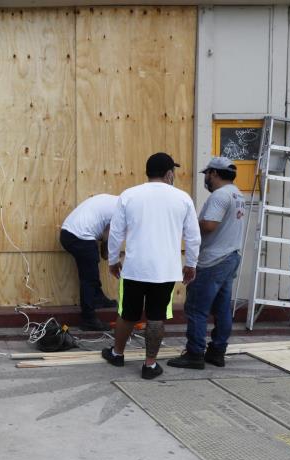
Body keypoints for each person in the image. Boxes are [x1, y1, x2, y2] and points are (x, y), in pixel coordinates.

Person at [103, 153, 201, 380]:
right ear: (168, 174)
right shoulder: (183, 198)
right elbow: (193, 237)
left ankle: (117, 353)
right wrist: (191, 264)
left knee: (127, 313)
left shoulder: (129, 195)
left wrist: (113, 260)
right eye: (173, 172)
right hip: (165, 270)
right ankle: (150, 364)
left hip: (136, 268)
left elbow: (116, 232)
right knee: (156, 316)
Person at [168, 157, 245, 369]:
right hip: (231, 256)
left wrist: (189, 222)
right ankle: (217, 351)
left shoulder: (219, 196)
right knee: (221, 308)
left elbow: (209, 225)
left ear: (215, 173)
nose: (206, 179)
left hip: (213, 260)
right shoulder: (237, 193)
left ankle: (194, 353)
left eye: (207, 174)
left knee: (196, 308)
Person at [60, 193, 119, 331]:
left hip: (70, 233)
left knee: (90, 270)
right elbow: (107, 235)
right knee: (89, 278)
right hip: (79, 235)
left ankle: (98, 299)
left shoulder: (114, 201)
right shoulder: (121, 210)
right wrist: (106, 254)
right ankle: (89, 319)